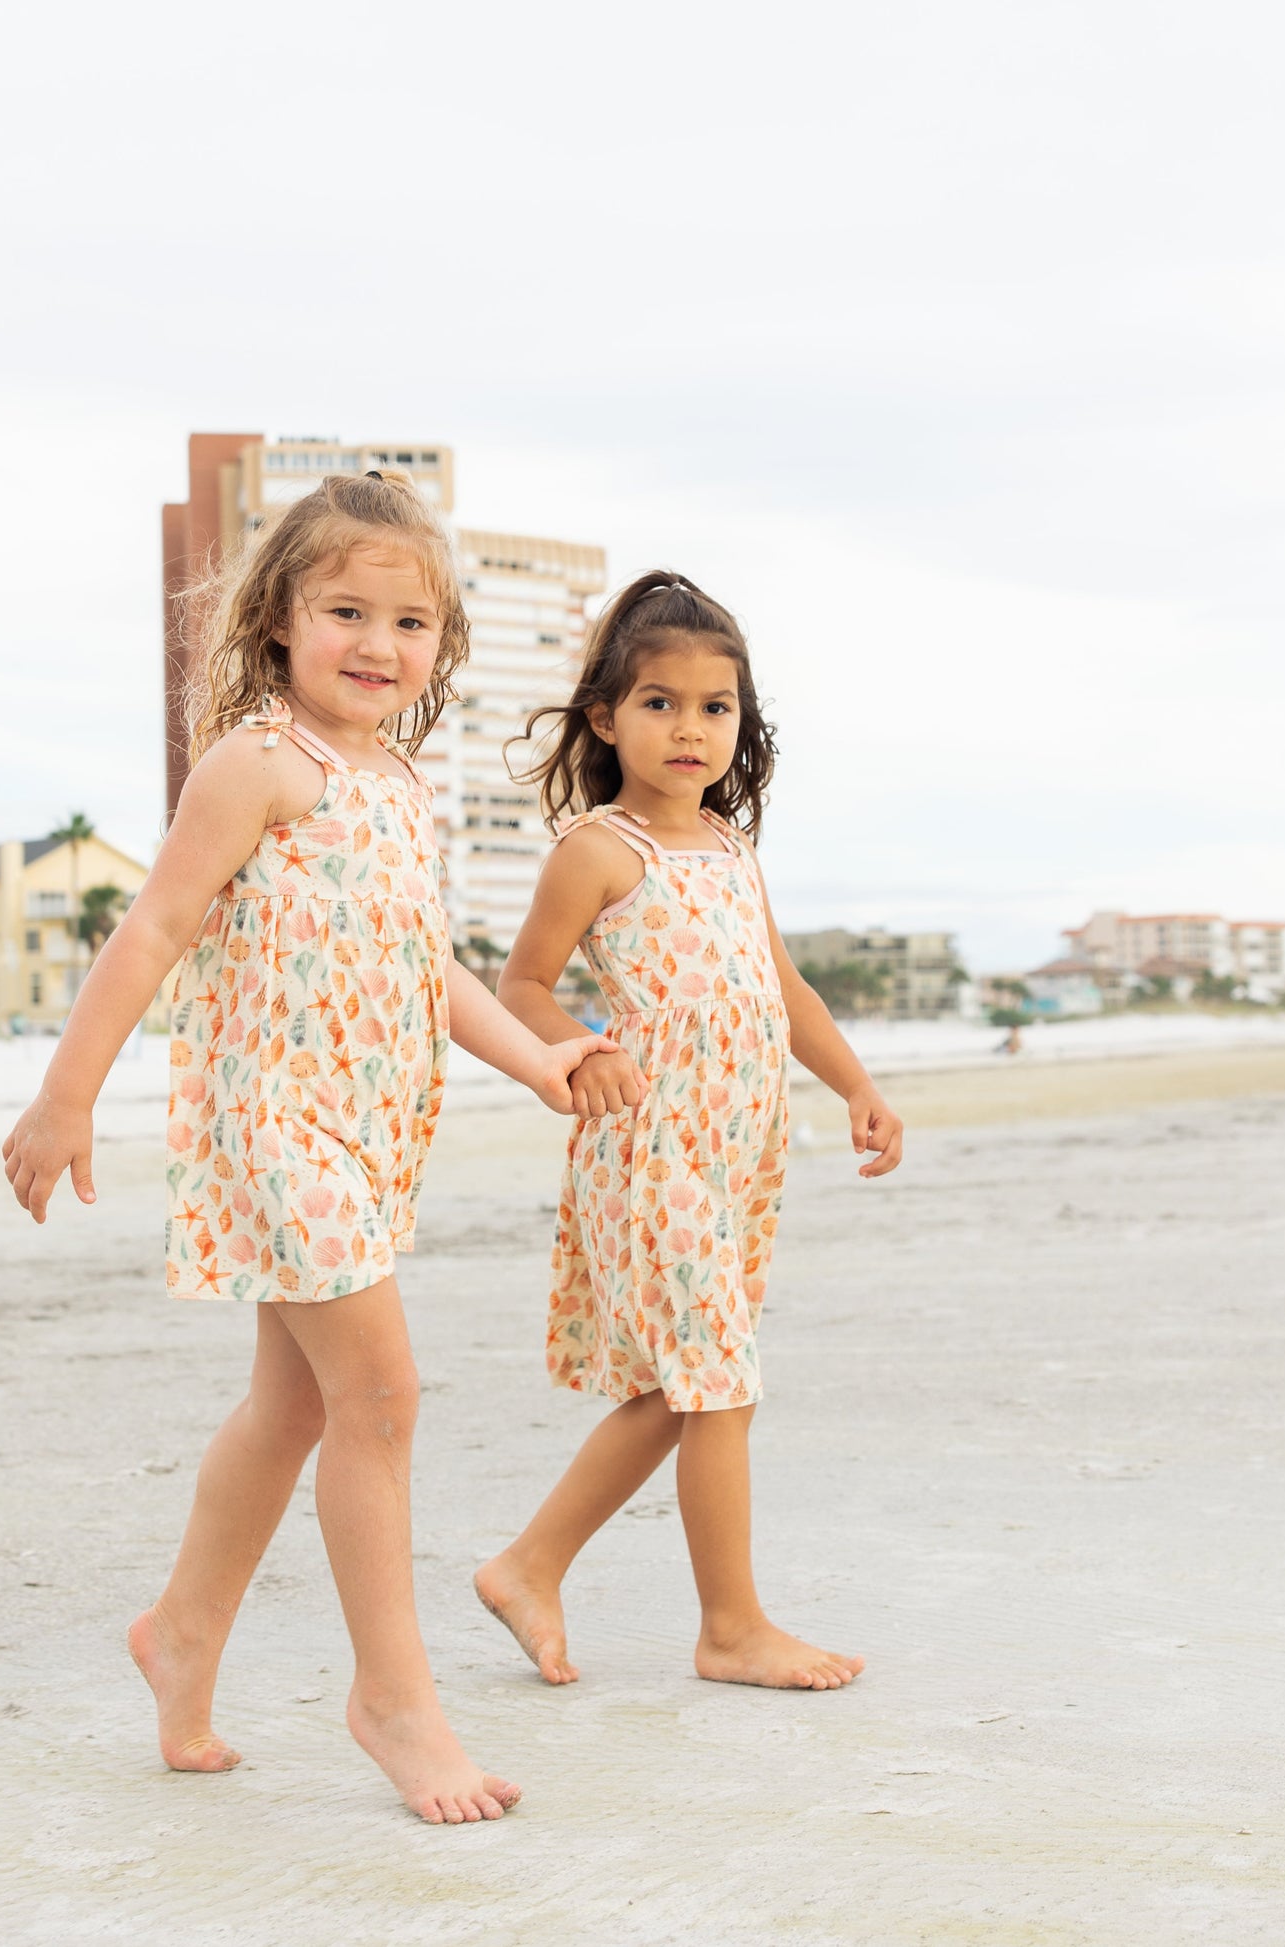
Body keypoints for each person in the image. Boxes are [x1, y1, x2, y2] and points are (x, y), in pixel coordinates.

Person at [0, 472, 613, 1824]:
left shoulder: (397, 782)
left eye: (408, 620)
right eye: (346, 609)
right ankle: (391, 1695)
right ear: (278, 615)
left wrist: (538, 1057)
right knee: (380, 1396)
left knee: (291, 1405)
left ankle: (182, 1631)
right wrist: (65, 1093)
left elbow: (426, 965)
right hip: (273, 1124)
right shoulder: (255, 764)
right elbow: (152, 928)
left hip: (368, 1123)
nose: (377, 644)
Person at [474, 571, 904, 1692]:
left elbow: (784, 988)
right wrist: (580, 1047)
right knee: (717, 1382)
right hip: (649, 1148)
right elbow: (519, 985)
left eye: (715, 707)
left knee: (684, 1385)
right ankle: (730, 1629)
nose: (689, 728)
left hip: (736, 1155)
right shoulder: (600, 849)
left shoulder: (727, 847)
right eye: (659, 702)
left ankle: (529, 1564)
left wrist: (854, 1085)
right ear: (607, 717)